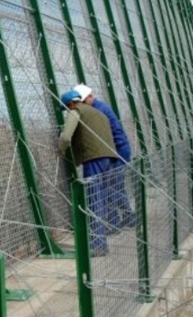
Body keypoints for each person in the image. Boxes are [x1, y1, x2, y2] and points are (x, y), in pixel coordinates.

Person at [58, 90, 117, 257]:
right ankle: (101, 240)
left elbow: (66, 137)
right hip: (108, 158)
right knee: (103, 198)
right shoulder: (97, 112)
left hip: (93, 159)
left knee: (94, 200)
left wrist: (60, 150)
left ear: (69, 104)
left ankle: (97, 245)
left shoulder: (75, 111)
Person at [73, 84, 135, 232]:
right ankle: (123, 220)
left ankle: (119, 222)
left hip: (116, 152)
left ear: (88, 97)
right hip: (117, 150)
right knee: (113, 187)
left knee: (111, 188)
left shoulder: (97, 109)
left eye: (81, 101)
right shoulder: (101, 107)